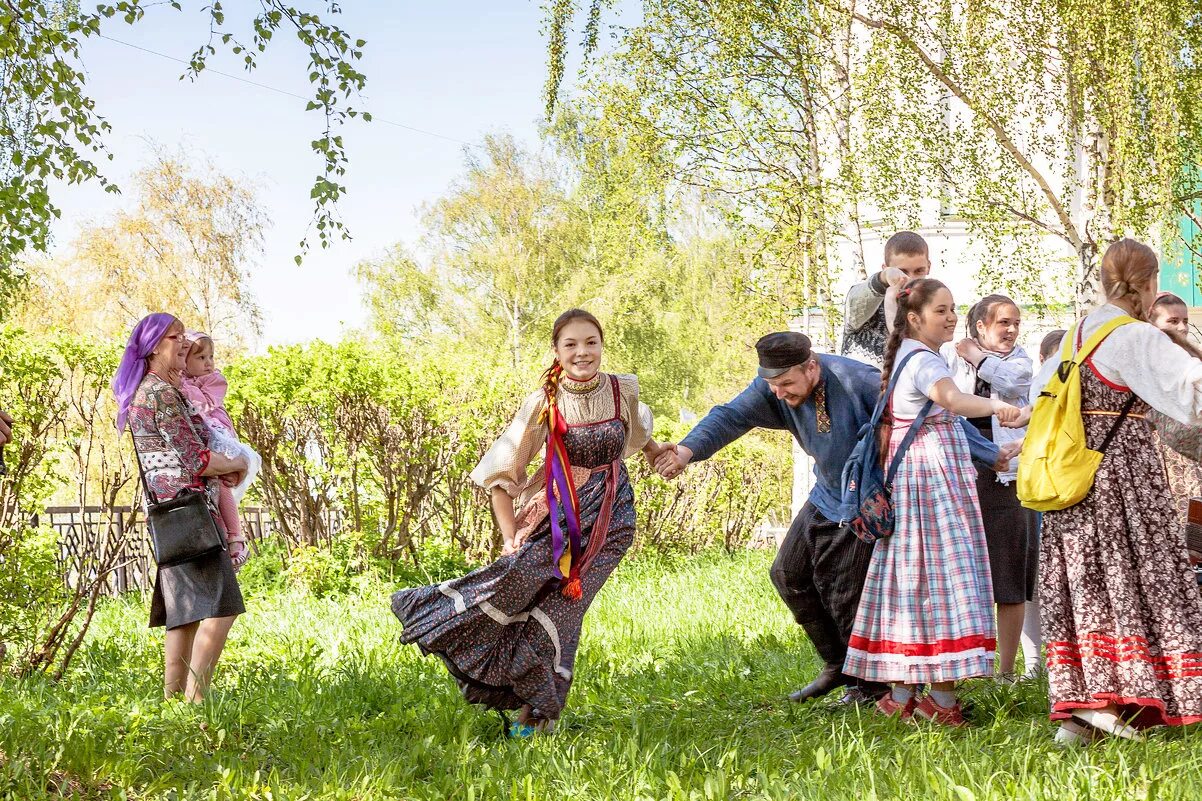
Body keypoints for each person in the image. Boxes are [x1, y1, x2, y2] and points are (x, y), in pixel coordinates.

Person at [653, 331, 1012, 705]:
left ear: (812, 367)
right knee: (787, 574)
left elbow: (933, 417)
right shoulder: (772, 388)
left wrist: (989, 453)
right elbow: (728, 416)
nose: (779, 393)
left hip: (869, 500)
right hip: (827, 492)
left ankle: (872, 689)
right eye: (772, 385)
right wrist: (686, 451)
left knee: (845, 592)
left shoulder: (862, 382)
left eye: (786, 383)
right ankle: (838, 665)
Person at [390, 309, 665, 737]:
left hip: (612, 521)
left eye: (591, 342)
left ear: (602, 344)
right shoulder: (544, 402)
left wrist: (656, 452)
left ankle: (537, 716)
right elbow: (503, 473)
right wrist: (510, 537)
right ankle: (439, 616)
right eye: (571, 344)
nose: (582, 352)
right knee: (512, 587)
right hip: (557, 524)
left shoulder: (621, 388)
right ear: (556, 350)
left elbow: (634, 435)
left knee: (564, 612)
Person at [1020, 239, 1202, 744]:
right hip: (1123, 476)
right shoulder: (1133, 336)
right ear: (1149, 284)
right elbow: (1190, 391)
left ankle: (1089, 708)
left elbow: (1038, 394)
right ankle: (1111, 700)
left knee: (1089, 582)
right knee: (1138, 574)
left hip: (1073, 473)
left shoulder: (1077, 333)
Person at [843, 278, 1021, 726]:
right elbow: (955, 401)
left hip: (918, 482)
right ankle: (941, 703)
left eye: (953, 308)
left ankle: (902, 695)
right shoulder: (923, 361)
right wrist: (997, 408)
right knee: (947, 580)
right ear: (915, 318)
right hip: (931, 486)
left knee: (914, 580)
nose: (951, 317)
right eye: (941, 310)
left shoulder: (909, 354)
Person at [112, 313, 249, 702]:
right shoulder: (161, 394)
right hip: (190, 514)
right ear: (156, 345)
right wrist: (240, 463)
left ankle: (173, 703)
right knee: (223, 607)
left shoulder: (147, 390)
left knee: (184, 614)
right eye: (177, 337)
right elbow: (198, 459)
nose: (185, 343)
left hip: (170, 518)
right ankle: (196, 699)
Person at [942, 294, 1038, 681]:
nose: (1011, 329)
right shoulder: (948, 359)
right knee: (965, 575)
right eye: (1002, 322)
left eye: (1015, 322)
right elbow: (947, 405)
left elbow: (1012, 381)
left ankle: (1008, 672)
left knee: (1010, 573)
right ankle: (971, 667)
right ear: (980, 326)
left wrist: (978, 357)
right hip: (964, 474)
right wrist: (963, 354)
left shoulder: (1020, 360)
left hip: (1009, 475)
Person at [179, 331, 260, 570]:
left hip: (217, 433)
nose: (209, 363)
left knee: (222, 480)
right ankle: (224, 534)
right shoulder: (179, 380)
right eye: (201, 357)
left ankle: (236, 536)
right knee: (213, 483)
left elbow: (205, 403)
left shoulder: (214, 380)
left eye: (211, 356)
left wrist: (183, 386)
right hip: (201, 437)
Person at [1018, 328, 1066, 680]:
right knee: (1033, 581)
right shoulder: (1037, 385)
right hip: (1040, 493)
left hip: (1066, 488)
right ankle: (1035, 662)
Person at [841, 231, 931, 367]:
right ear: (885, 268)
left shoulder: (930, 307)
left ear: (928, 267)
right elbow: (854, 303)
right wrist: (883, 278)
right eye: (903, 271)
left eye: (919, 271)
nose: (910, 279)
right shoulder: (869, 298)